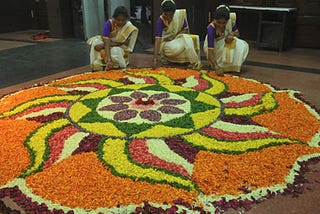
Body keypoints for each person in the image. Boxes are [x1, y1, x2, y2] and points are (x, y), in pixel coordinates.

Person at [153, 0, 201, 69]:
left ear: (174, 12)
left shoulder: (179, 16)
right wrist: (155, 58)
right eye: (166, 15)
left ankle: (191, 61)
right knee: (174, 48)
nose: (169, 17)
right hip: (167, 43)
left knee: (191, 39)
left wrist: (175, 36)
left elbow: (185, 29)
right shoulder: (161, 20)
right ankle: (174, 58)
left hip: (177, 38)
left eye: (171, 15)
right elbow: (158, 39)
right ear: (163, 12)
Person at [87, 6, 139, 71]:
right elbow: (106, 42)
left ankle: (117, 65)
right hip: (109, 44)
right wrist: (109, 59)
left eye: (123, 20)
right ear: (114, 18)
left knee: (115, 51)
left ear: (126, 19)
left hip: (120, 47)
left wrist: (104, 45)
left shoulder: (128, 27)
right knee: (95, 42)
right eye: (118, 20)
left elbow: (126, 43)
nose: (120, 22)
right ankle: (95, 64)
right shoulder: (109, 24)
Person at [203, 4, 249, 76]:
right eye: (219, 22)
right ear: (215, 20)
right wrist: (216, 67)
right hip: (213, 48)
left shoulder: (231, 21)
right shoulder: (211, 28)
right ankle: (217, 65)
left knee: (242, 44)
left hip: (224, 44)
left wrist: (232, 35)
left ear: (227, 20)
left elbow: (238, 34)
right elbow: (210, 52)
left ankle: (229, 67)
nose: (221, 25)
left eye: (224, 23)